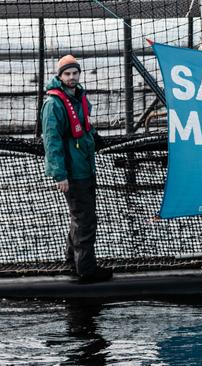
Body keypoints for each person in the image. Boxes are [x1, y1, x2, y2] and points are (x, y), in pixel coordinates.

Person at [41, 55, 113, 283]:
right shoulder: (53, 104)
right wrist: (59, 175)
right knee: (86, 220)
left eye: (75, 73)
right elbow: (51, 141)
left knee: (79, 218)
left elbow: (85, 128)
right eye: (67, 74)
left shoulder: (79, 97)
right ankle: (87, 270)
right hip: (73, 172)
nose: (72, 78)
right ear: (59, 76)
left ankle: (73, 262)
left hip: (86, 167)